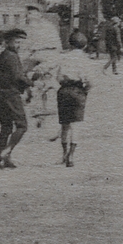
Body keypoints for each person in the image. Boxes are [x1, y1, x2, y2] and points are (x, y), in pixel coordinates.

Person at [0, 29, 32, 169]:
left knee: (6, 127)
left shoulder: (2, 55)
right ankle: (7, 151)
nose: (19, 45)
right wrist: (31, 83)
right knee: (22, 126)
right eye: (17, 42)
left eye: (21, 43)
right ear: (8, 42)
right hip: (11, 96)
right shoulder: (12, 56)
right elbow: (18, 77)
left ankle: (2, 160)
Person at [53, 31, 93, 167]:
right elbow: (90, 81)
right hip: (78, 90)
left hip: (64, 90)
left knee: (65, 125)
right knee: (76, 125)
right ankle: (71, 155)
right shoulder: (86, 59)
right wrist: (85, 90)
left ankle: (64, 154)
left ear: (70, 44)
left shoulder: (64, 58)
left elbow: (58, 77)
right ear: (85, 46)